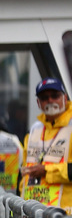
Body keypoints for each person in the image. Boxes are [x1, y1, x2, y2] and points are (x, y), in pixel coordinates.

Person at [21, 77, 72, 208]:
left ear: (64, 99)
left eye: (55, 96)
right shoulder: (34, 130)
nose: (50, 100)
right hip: (34, 215)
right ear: (38, 103)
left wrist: (46, 171)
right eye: (44, 98)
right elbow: (23, 172)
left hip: (65, 217)